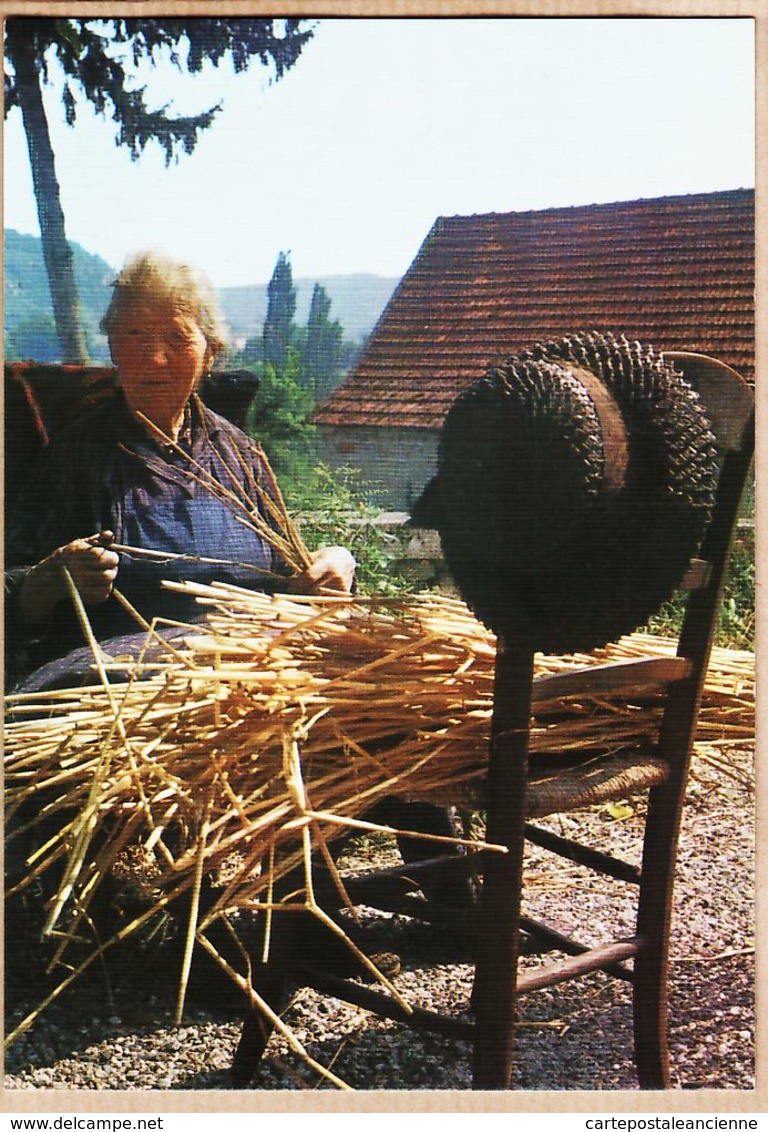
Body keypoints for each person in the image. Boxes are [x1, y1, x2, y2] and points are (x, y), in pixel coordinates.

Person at [5, 251, 355, 691]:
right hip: (124, 693)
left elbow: (295, 581)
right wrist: (48, 580)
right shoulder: (79, 457)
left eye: (177, 337)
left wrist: (336, 562)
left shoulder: (240, 456)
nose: (155, 358)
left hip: (250, 680)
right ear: (113, 346)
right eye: (135, 335)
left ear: (210, 354)